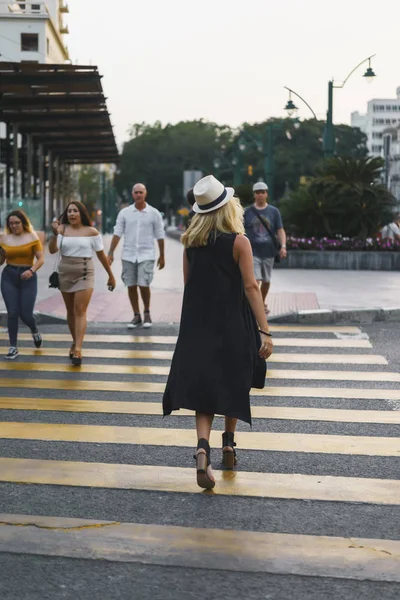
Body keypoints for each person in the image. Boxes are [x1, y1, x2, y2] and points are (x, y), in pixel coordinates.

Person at [163, 175, 273, 490]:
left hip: (198, 323)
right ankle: (229, 444)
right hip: (233, 322)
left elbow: (188, 283)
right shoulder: (239, 241)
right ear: (229, 209)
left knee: (206, 389)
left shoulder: (189, 242)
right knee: (234, 381)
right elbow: (251, 286)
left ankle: (202, 448)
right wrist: (265, 331)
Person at [49, 201, 116, 366]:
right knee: (70, 311)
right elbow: (51, 250)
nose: (72, 214)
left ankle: (78, 349)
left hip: (85, 272)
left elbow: (101, 256)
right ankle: (74, 341)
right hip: (65, 272)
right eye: (69, 211)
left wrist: (110, 275)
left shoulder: (91, 232)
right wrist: (55, 234)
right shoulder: (62, 230)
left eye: (75, 211)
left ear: (81, 214)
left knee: (80, 310)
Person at [108, 183, 165, 329]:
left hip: (147, 254)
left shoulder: (154, 213)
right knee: (131, 285)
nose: (138, 195)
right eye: (136, 192)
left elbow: (160, 235)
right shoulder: (124, 213)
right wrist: (111, 252)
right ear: (133, 194)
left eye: (141, 192)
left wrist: (162, 255)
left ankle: (146, 312)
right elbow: (117, 232)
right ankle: (136, 315)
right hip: (128, 254)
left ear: (145, 194)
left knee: (144, 284)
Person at [0, 210, 44, 360]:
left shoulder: (32, 237)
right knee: (12, 312)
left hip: (28, 277)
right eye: (11, 223)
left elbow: (41, 259)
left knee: (26, 314)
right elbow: (1, 261)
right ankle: (13, 347)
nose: (14, 226)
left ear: (23, 223)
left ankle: (34, 329)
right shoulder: (5, 238)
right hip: (9, 276)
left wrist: (31, 270)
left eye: (17, 223)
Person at [244, 182, 287, 314]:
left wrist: (283, 246)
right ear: (254, 195)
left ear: (266, 194)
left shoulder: (274, 211)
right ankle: (256, 305)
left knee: (266, 280)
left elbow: (280, 230)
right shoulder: (247, 212)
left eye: (262, 192)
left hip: (269, 251)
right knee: (255, 280)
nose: (260, 195)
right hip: (253, 251)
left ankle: (261, 301)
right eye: (258, 193)